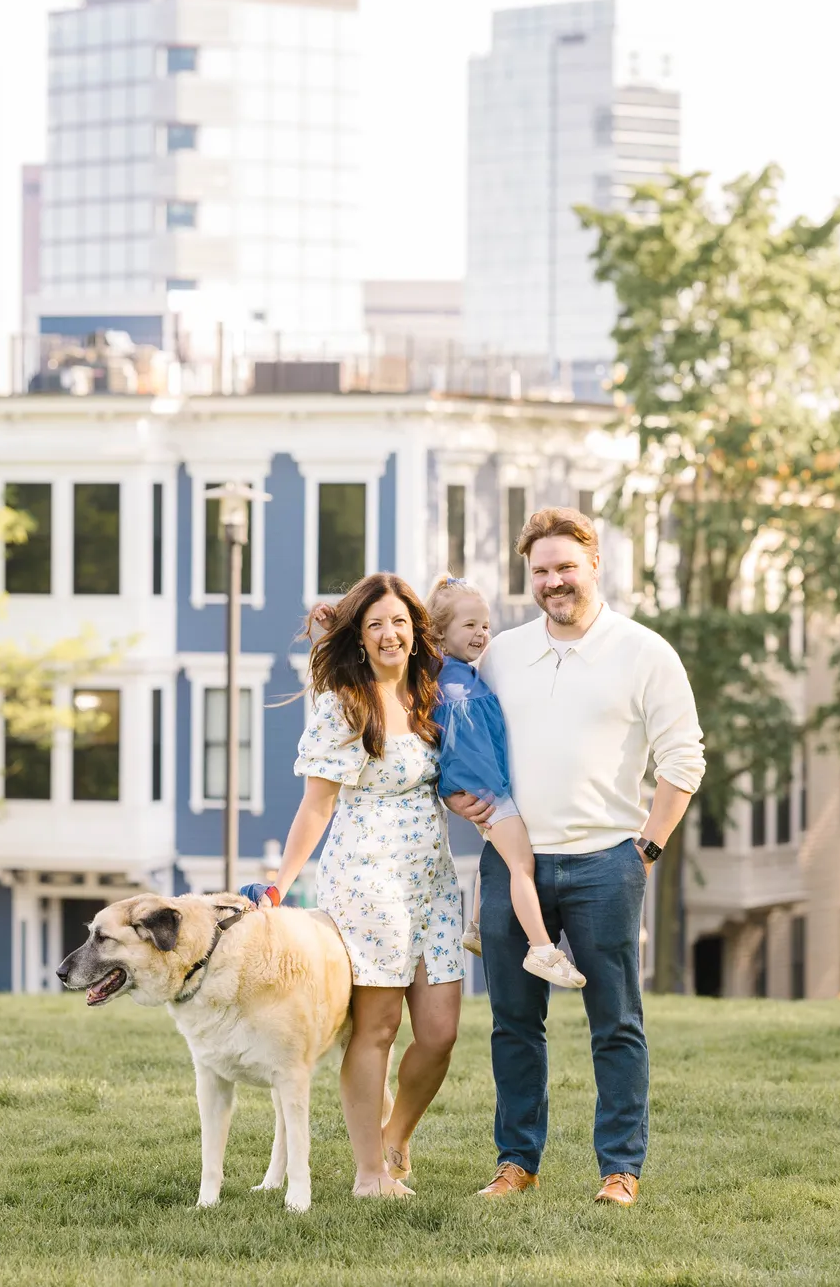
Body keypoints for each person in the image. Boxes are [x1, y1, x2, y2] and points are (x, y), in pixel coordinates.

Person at [449, 506, 704, 1208]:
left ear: (594, 563)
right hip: (513, 865)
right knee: (512, 1023)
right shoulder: (502, 654)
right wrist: (465, 800)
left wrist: (647, 847)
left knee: (616, 1023)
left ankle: (619, 1169)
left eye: (565, 566)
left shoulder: (644, 652)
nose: (553, 581)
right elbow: (464, 735)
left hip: (606, 862)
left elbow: (684, 759)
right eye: (540, 571)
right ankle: (516, 1163)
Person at [270, 572, 464, 1198]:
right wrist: (280, 884)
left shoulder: (432, 692)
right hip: (367, 881)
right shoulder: (344, 705)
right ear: (360, 636)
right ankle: (369, 1172)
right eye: (375, 624)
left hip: (433, 882)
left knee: (440, 1032)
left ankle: (394, 1134)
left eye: (399, 621)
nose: (388, 634)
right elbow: (316, 806)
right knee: (377, 1029)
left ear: (415, 630)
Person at [424, 575, 585, 989]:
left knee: (496, 850)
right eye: (469, 625)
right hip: (487, 792)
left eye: (485, 625)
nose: (481, 634)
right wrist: (485, 792)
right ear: (439, 633)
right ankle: (542, 949)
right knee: (521, 864)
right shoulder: (454, 686)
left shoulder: (456, 674)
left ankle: (476, 928)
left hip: (481, 790)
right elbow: (463, 745)